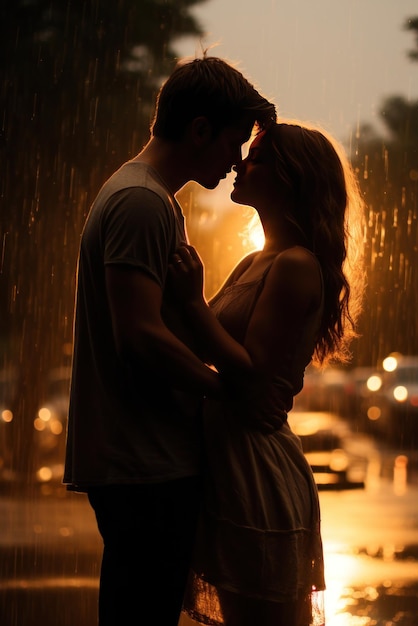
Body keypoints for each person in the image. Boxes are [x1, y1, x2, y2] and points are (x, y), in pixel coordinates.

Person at [63, 55, 277, 626]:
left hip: (140, 458)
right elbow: (139, 336)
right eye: (234, 143)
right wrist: (226, 392)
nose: (236, 162)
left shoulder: (145, 197)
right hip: (144, 462)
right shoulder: (142, 202)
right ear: (200, 130)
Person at [168, 122, 366, 626]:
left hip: (257, 468)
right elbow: (202, 339)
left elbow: (251, 369)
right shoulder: (255, 260)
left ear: (288, 178)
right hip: (231, 461)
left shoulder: (297, 265)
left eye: (254, 157)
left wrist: (193, 303)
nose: (238, 163)